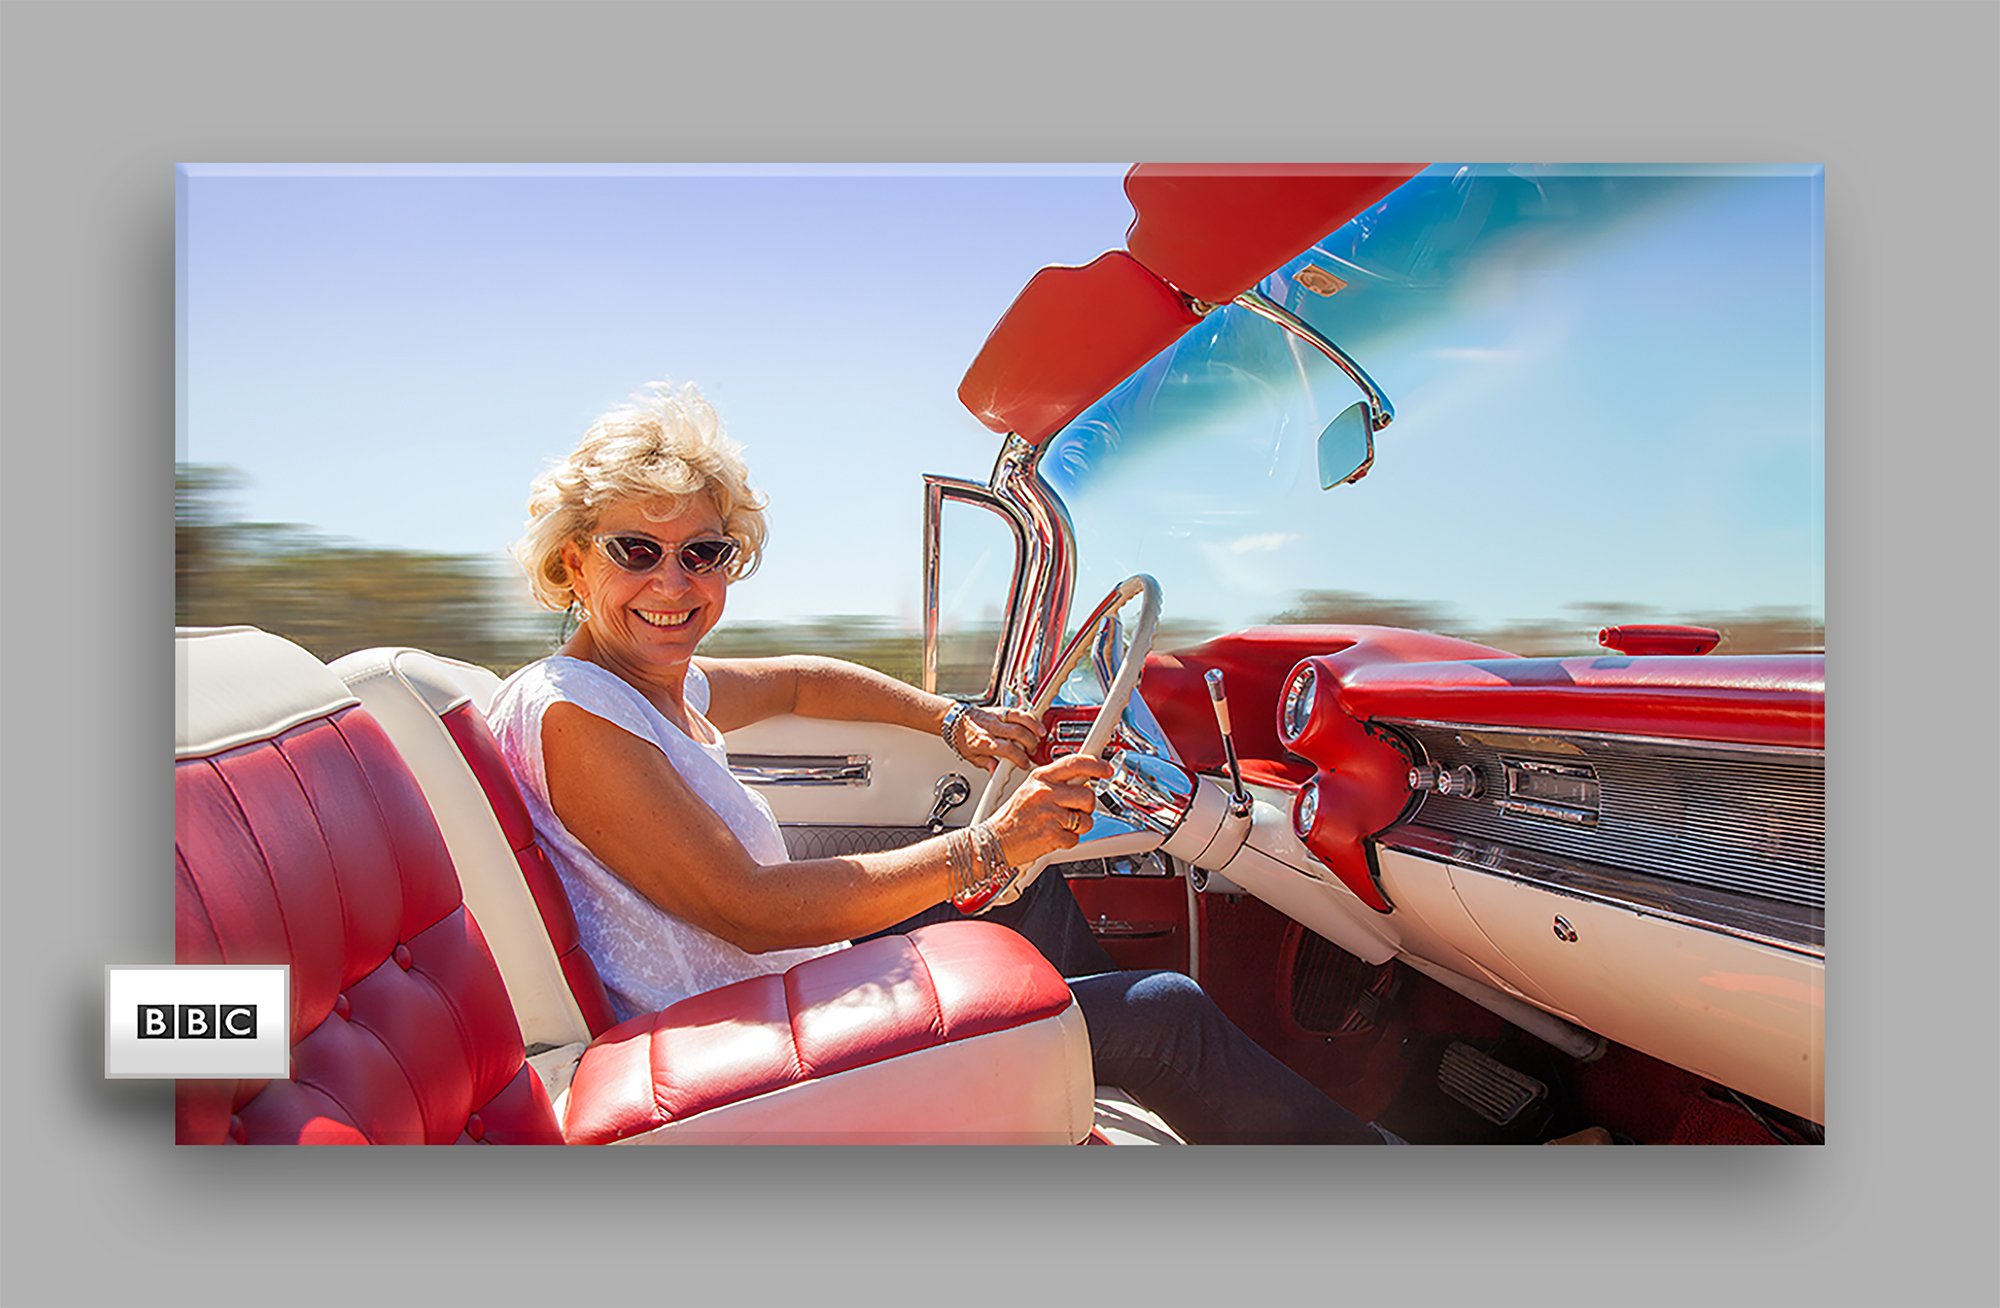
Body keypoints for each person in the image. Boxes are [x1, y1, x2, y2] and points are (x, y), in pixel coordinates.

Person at [487, 380, 1393, 1144]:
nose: (673, 583)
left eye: (703, 552)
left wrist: (954, 722)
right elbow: (751, 910)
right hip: (733, 1034)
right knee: (1165, 1012)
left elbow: (804, 683)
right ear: (574, 562)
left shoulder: (654, 686)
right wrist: (985, 846)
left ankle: (1064, 1074)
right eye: (635, 551)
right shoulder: (580, 714)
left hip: (763, 984)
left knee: (1027, 893)